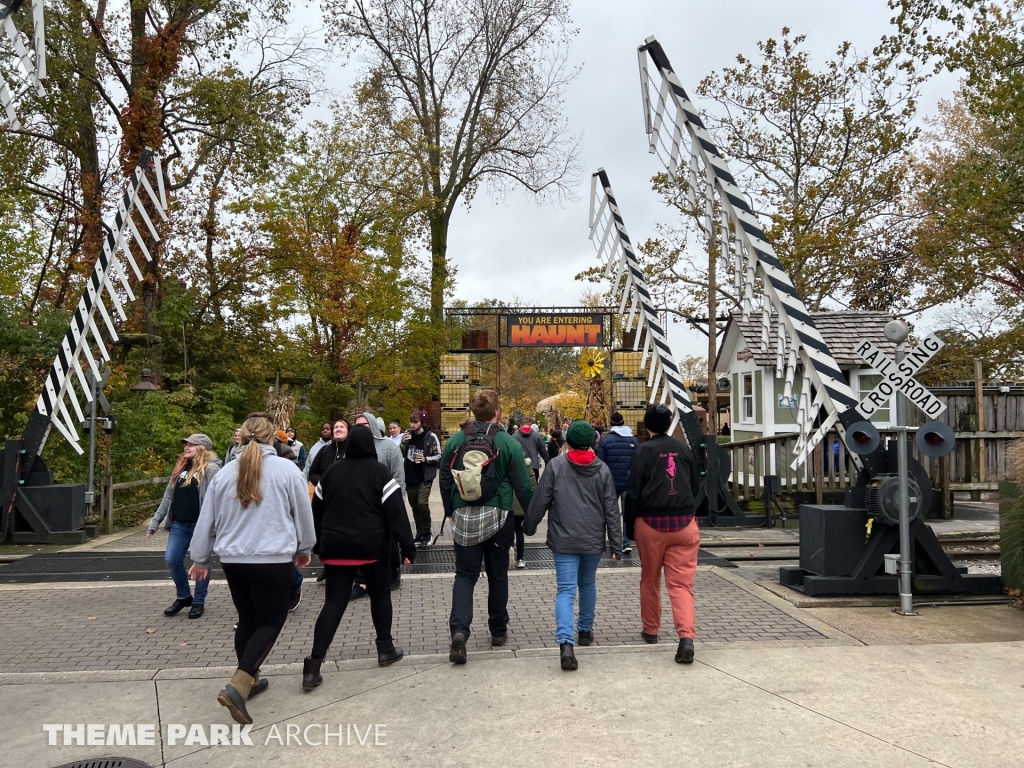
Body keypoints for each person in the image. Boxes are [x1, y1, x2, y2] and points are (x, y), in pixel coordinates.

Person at [188, 413, 316, 724]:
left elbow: (208, 518)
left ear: (242, 437)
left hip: (233, 560)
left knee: (248, 617)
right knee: (272, 621)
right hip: (271, 558)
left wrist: (200, 557)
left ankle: (252, 681)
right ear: (274, 438)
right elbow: (302, 512)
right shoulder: (287, 471)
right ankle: (239, 683)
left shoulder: (225, 473)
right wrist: (305, 547)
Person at [302, 425, 417, 691]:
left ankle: (313, 666)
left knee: (333, 603)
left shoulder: (331, 473)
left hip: (335, 549)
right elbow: (396, 512)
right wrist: (407, 548)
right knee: (380, 597)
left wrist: (317, 544)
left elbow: (315, 512)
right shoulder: (380, 473)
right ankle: (385, 649)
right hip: (372, 548)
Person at [439, 389, 533, 663]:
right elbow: (522, 485)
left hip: (464, 518)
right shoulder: (508, 442)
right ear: (497, 413)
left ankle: (459, 632)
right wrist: (530, 516)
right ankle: (498, 630)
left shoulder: (456, 441)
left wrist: (450, 510)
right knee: (498, 574)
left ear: (473, 412)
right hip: (498, 518)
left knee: (465, 576)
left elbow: (445, 478)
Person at [525, 421, 622, 671]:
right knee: (587, 584)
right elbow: (612, 509)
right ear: (593, 442)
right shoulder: (602, 470)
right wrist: (616, 543)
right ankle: (585, 630)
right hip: (592, 538)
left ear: (567, 442)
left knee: (565, 590)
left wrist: (529, 525)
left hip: (563, 538)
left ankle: (566, 642)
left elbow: (542, 498)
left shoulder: (557, 466)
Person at [625, 404, 702, 665]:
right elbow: (694, 485)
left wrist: (630, 527)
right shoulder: (684, 449)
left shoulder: (643, 451)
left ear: (647, 425)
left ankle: (651, 629)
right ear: (669, 423)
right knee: (681, 585)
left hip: (651, 523)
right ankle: (686, 637)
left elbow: (633, 491)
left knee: (650, 578)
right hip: (684, 523)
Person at [147, 434, 221, 619]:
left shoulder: (212, 469)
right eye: (185, 444)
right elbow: (168, 497)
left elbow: (217, 500)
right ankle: (184, 596)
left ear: (202, 448)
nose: (186, 447)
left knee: (201, 562)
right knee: (172, 559)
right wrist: (155, 521)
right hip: (180, 524)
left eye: (191, 445)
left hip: (200, 525)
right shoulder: (181, 467)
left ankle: (198, 601)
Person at [351, 412, 406, 595]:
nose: (361, 429)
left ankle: (393, 574)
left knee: (390, 542)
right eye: (357, 425)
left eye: (364, 425)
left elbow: (398, 478)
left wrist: (398, 504)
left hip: (385, 505)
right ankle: (361, 581)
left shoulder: (389, 448)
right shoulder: (351, 450)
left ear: (373, 426)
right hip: (361, 509)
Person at [596, 411, 640, 554]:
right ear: (623, 422)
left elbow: (600, 463)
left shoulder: (605, 440)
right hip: (629, 482)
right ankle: (626, 541)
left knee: (610, 513)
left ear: (611, 424)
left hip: (610, 483)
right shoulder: (633, 440)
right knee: (628, 512)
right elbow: (639, 461)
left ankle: (611, 541)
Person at [401, 410, 442, 546]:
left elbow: (438, 456)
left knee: (422, 504)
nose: (413, 425)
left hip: (425, 476)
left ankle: (427, 532)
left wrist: (425, 459)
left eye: (416, 422)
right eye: (411, 422)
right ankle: (419, 534)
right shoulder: (407, 435)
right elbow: (400, 454)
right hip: (410, 475)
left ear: (422, 423)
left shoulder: (430, 437)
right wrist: (403, 442)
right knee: (414, 507)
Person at [308, 419, 348, 487]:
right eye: (336, 427)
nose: (338, 429)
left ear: (348, 431)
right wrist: (323, 484)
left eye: (342, 427)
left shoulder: (353, 450)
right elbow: (313, 472)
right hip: (323, 494)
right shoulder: (324, 450)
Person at [512, 415, 546, 480]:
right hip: (534, 466)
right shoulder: (536, 435)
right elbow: (543, 451)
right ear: (529, 424)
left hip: (520, 467)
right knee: (534, 487)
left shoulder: (514, 436)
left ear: (520, 424)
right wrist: (547, 463)